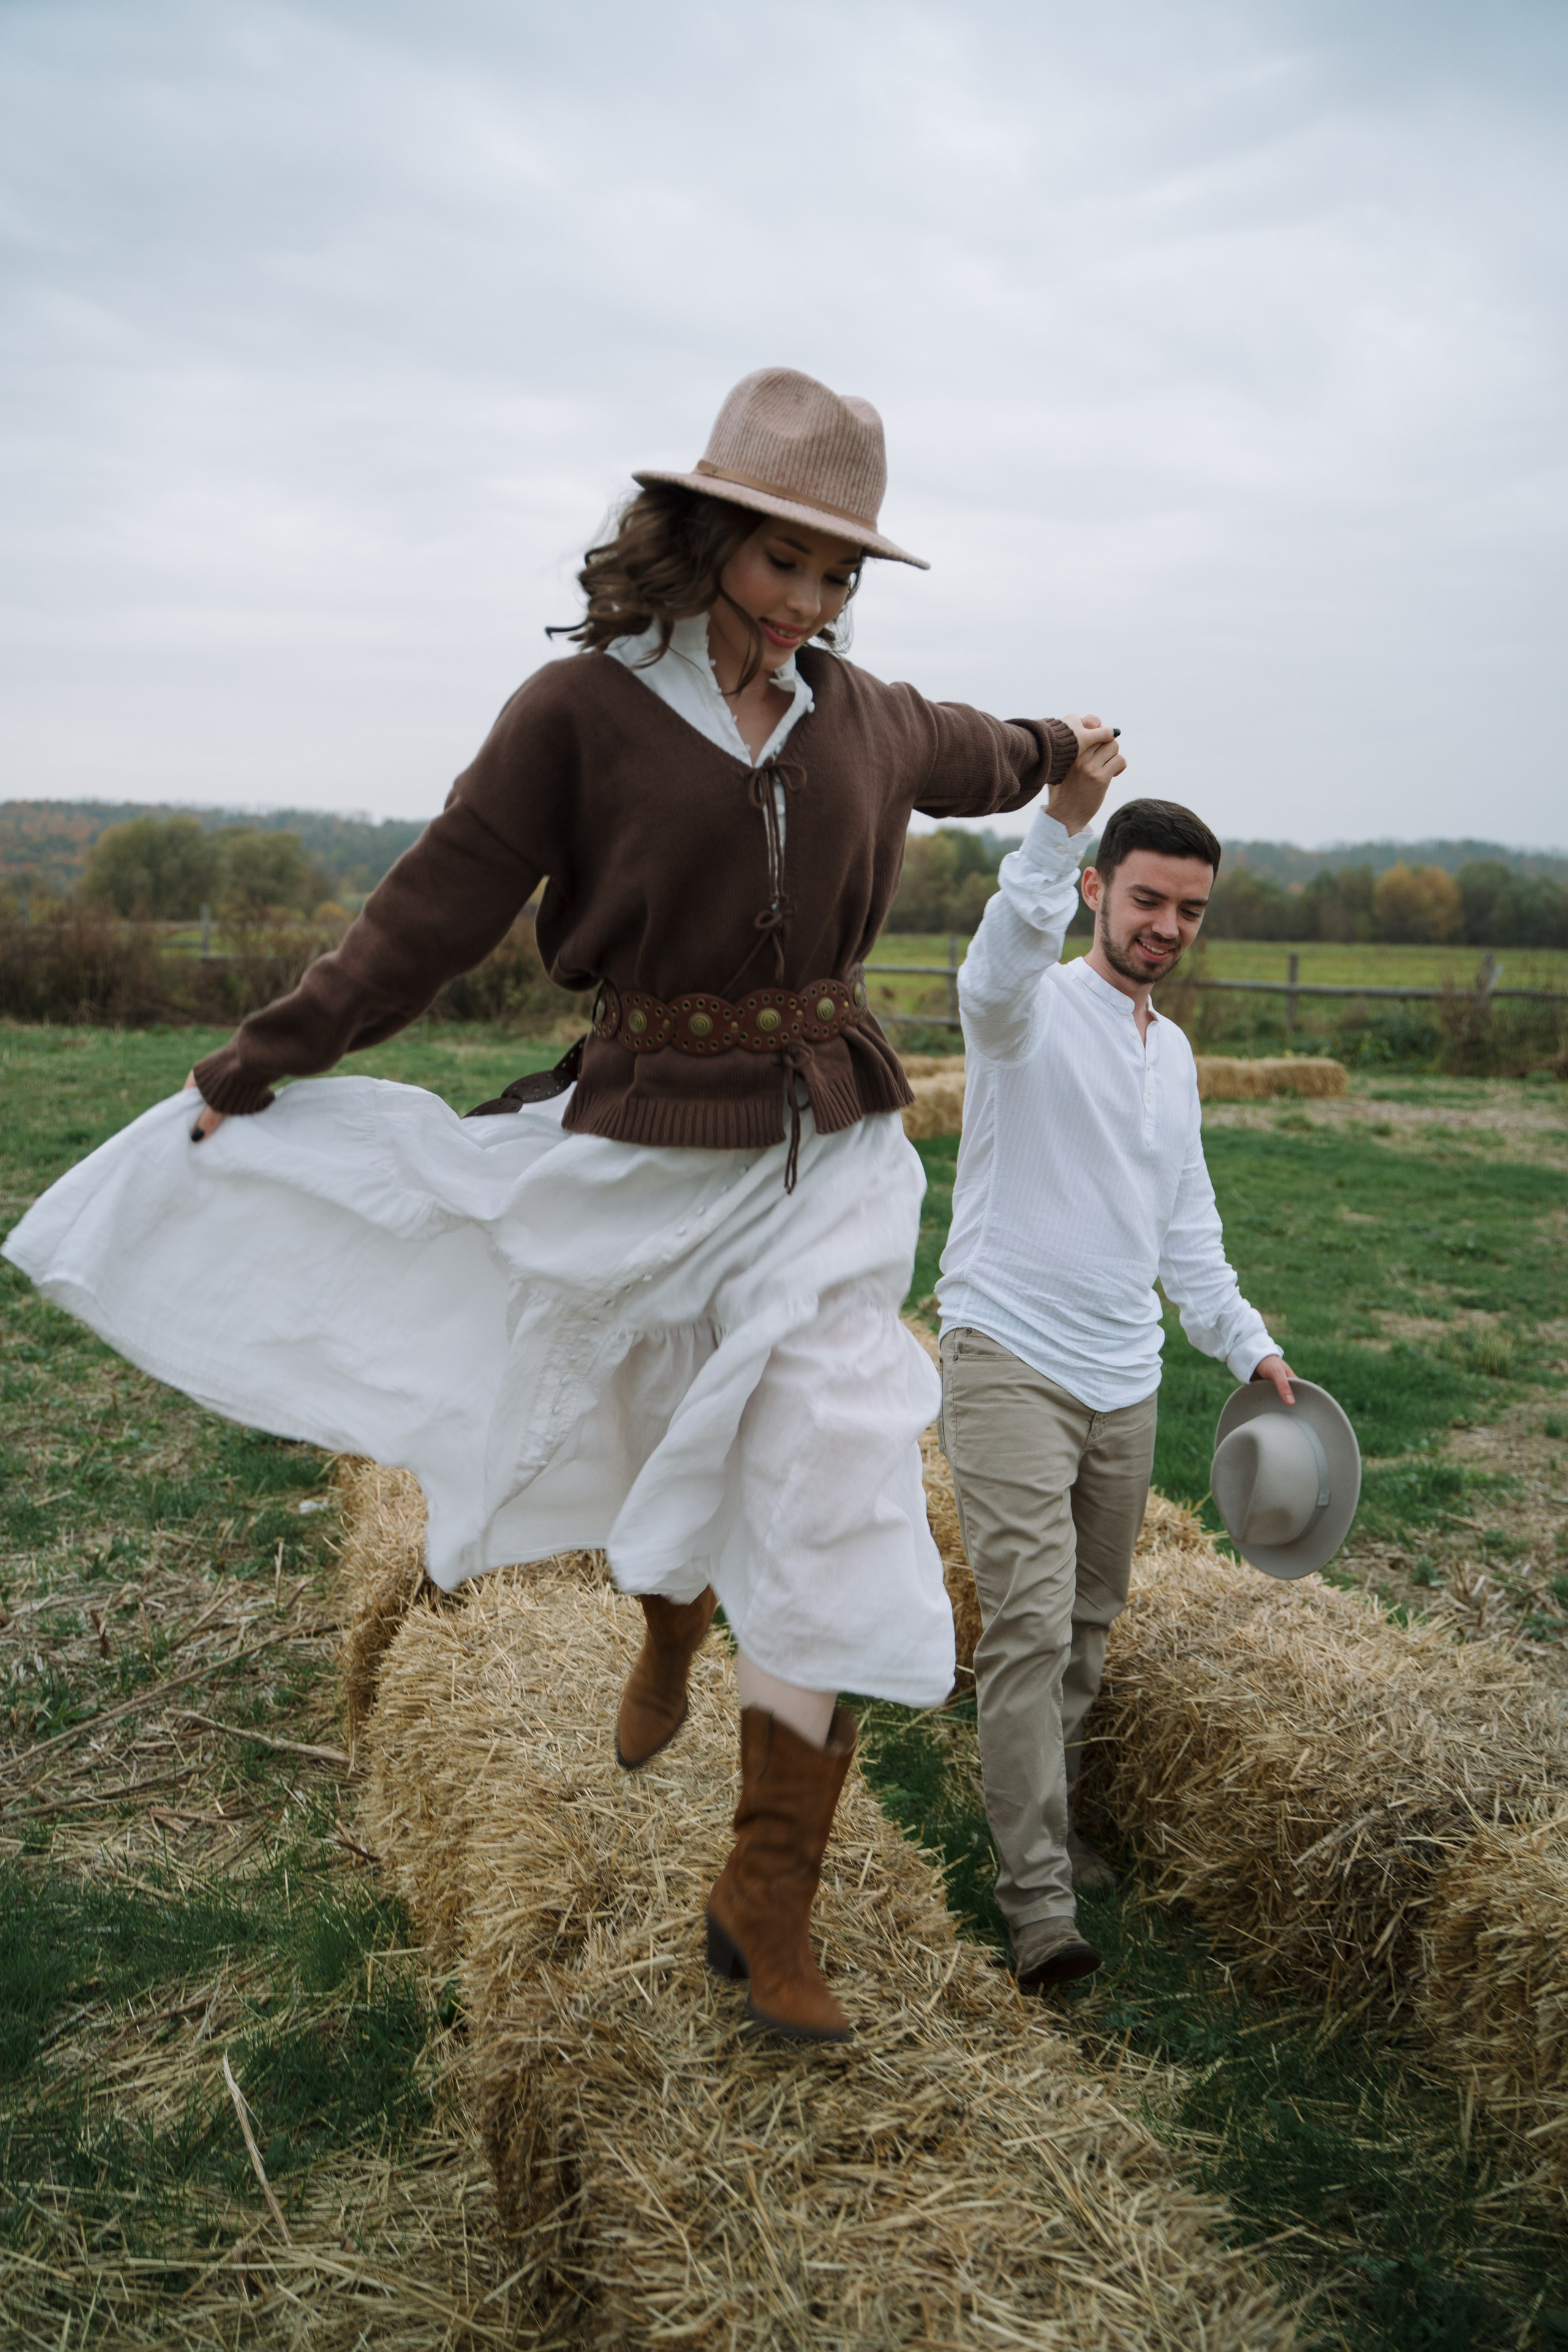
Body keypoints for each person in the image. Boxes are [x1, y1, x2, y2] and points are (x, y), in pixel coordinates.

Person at [6, 366, 1123, 2044]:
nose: (805, 608)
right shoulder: (581, 716)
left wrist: (1071, 757)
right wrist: (270, 1051)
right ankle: (670, 1613)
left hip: (831, 1154)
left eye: (836, 579)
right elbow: (435, 905)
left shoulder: (868, 713)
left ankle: (767, 1896)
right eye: (780, 567)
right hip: (641, 1148)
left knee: (831, 1479)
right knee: (645, 1417)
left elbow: (996, 747)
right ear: (701, 542)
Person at [935, 787, 1295, 1993]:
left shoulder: (1174, 1054)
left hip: (1120, 1377)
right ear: (1094, 890)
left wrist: (1242, 1343)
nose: (1166, 926)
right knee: (1029, 1628)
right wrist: (1056, 822)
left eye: (1189, 910)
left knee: (1084, 1629)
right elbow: (990, 969)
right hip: (1005, 1355)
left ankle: (1047, 1819)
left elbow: (1182, 1222)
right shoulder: (1026, 1009)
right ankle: (1034, 1902)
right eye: (1145, 898)